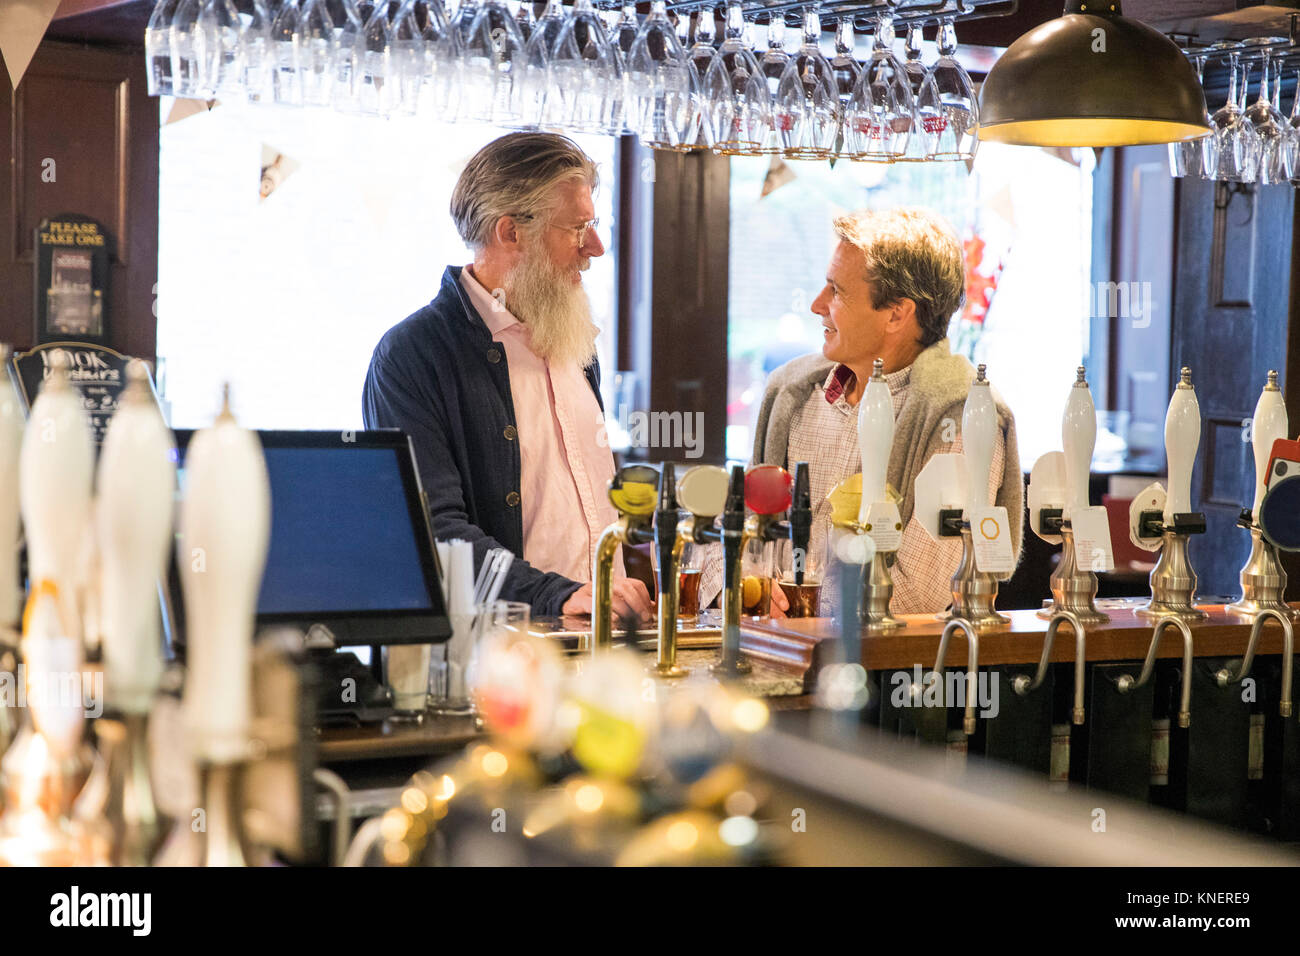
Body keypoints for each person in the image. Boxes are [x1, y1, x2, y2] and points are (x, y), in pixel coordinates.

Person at [362, 132, 653, 622]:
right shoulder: (411, 355)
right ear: (510, 232)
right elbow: (432, 531)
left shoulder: (574, 338)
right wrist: (555, 594)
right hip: (497, 665)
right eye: (578, 229)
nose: (597, 248)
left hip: (598, 647)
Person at [704, 207, 1022, 615]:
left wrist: (799, 609)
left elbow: (920, 594)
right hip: (771, 654)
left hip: (889, 675)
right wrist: (738, 584)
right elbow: (719, 539)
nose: (817, 305)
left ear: (896, 313)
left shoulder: (962, 416)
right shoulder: (790, 394)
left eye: (836, 291)